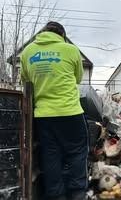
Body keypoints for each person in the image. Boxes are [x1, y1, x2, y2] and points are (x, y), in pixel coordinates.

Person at [20, 22, 89, 200]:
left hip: (43, 115)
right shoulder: (71, 50)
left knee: (51, 155)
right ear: (62, 36)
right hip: (70, 112)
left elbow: (26, 81)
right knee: (77, 151)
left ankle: (56, 195)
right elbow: (78, 78)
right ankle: (78, 194)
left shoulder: (27, 53)